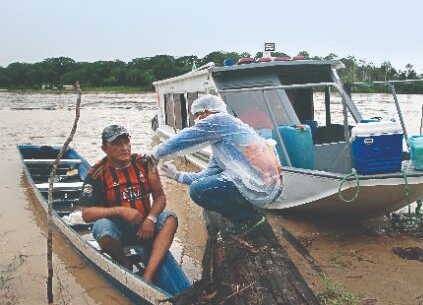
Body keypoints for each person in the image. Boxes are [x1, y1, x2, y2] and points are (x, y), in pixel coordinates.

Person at [150, 95, 283, 234]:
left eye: (198, 115)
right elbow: (207, 174)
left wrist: (155, 154)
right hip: (268, 186)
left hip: (262, 184)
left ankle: (249, 219)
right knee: (202, 187)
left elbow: (184, 139)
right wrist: (177, 175)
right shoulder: (222, 143)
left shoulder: (220, 120)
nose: (198, 120)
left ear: (206, 111)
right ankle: (249, 214)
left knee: (198, 190)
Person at [79, 125, 178, 283]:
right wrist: (120, 211)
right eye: (117, 144)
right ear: (105, 149)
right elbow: (86, 214)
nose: (124, 148)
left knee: (170, 219)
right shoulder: (96, 173)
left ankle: (148, 275)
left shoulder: (145, 163)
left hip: (146, 228)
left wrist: (150, 219)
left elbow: (160, 197)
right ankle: (124, 262)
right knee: (101, 228)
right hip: (118, 231)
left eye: (126, 142)